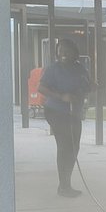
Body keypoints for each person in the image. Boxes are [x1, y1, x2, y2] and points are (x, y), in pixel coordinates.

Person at [38, 38, 92, 198]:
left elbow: (86, 87)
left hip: (74, 113)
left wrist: (91, 88)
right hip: (56, 111)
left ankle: (66, 183)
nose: (64, 54)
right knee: (65, 147)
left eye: (67, 51)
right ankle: (64, 186)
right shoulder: (53, 69)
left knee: (74, 147)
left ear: (75, 53)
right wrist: (61, 96)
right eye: (61, 51)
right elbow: (41, 87)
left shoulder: (80, 69)